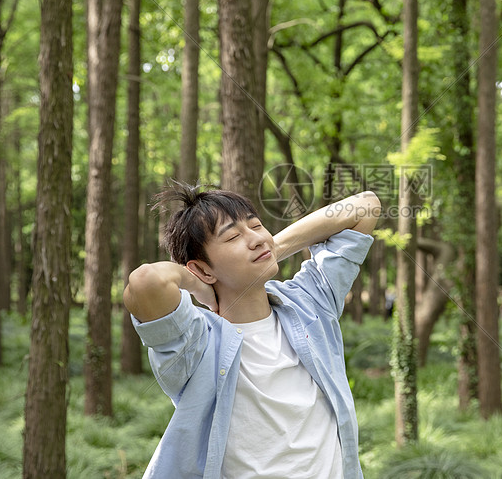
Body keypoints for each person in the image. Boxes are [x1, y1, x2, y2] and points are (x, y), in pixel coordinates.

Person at [124, 182, 381, 478]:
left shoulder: (310, 303)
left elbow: (365, 205)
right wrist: (197, 285)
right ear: (203, 269)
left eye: (256, 225)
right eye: (232, 236)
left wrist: (273, 248)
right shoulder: (195, 344)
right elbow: (145, 282)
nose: (256, 238)